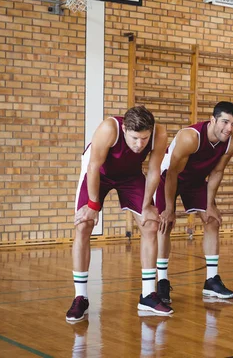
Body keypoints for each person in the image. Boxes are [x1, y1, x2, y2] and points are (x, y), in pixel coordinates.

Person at [67, 106, 171, 322]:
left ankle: (148, 294)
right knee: (84, 225)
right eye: (134, 138)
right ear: (124, 129)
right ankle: (80, 298)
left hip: (130, 176)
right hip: (99, 173)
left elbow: (153, 170)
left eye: (144, 139)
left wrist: (147, 205)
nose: (139, 144)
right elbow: (93, 166)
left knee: (150, 224)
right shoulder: (109, 128)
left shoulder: (159, 134)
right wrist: (93, 206)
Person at [157, 101, 233, 300]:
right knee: (164, 225)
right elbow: (172, 173)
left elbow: (217, 171)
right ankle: (162, 281)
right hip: (168, 179)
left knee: (212, 220)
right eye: (225, 122)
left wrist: (210, 205)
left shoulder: (232, 142)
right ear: (212, 120)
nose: (229, 128)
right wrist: (169, 209)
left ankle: (211, 281)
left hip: (195, 181)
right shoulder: (189, 137)